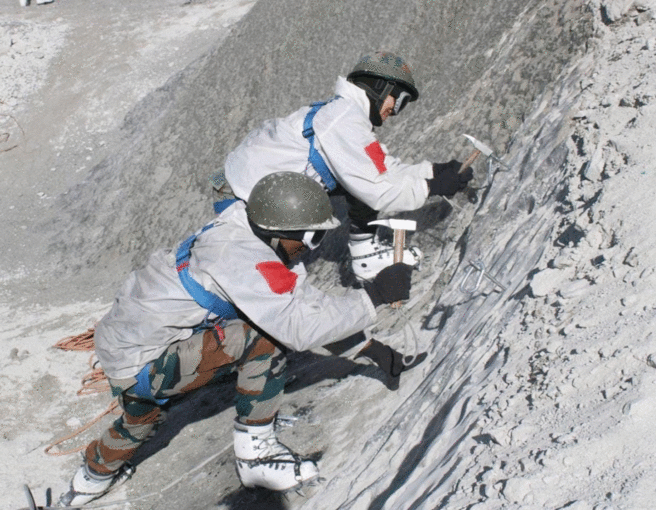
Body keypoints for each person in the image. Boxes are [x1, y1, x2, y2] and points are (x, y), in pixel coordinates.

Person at [56, 172, 413, 507]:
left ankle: (88, 482)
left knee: (140, 418)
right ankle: (256, 455)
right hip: (141, 363)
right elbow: (297, 325)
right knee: (262, 336)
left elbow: (304, 303)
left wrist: (367, 346)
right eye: (312, 235)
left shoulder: (245, 229)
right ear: (281, 230)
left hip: (128, 350)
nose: (312, 246)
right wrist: (375, 296)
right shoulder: (244, 261)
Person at [211, 50, 473, 281]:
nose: (394, 111)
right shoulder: (343, 121)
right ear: (380, 87)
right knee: (280, 286)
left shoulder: (344, 114)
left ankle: (364, 254)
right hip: (243, 202)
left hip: (238, 187)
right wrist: (431, 187)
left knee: (354, 185)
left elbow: (380, 168)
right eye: (400, 100)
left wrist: (432, 172)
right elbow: (379, 191)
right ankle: (364, 262)